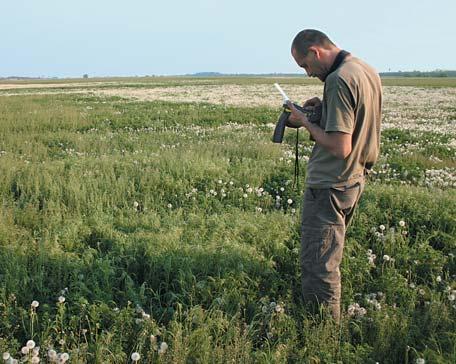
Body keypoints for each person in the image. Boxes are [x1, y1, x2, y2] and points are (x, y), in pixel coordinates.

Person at [285, 29, 382, 322]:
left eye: (305, 65)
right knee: (329, 254)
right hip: (353, 178)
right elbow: (357, 118)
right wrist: (324, 108)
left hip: (330, 182)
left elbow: (341, 146)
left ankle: (322, 332)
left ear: (315, 52)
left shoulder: (339, 79)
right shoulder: (364, 69)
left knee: (318, 263)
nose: (307, 73)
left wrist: (304, 122)